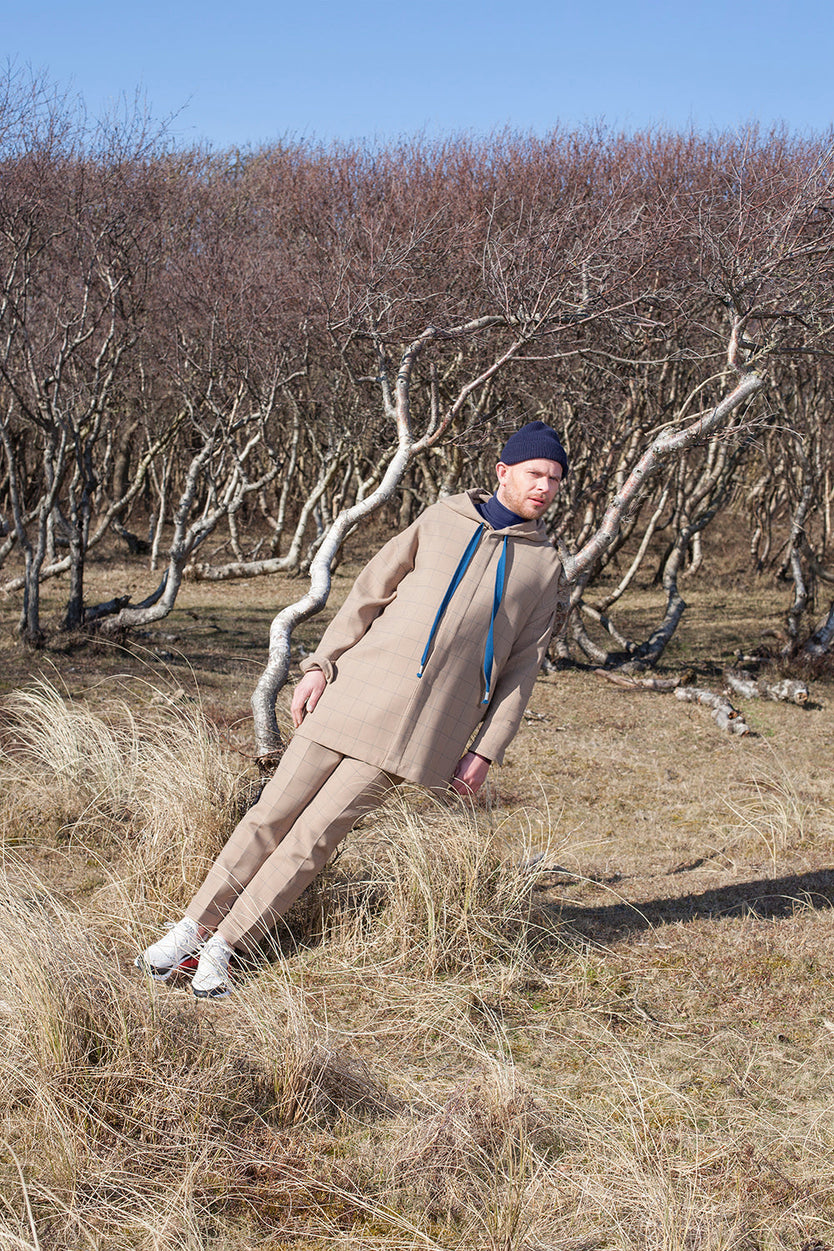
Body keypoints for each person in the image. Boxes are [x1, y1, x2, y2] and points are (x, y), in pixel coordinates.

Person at [136, 421, 570, 998]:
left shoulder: (545, 566)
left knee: (314, 839)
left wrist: (486, 750)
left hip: (419, 726)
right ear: (503, 472)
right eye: (536, 474)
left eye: (555, 480)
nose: (545, 487)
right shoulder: (441, 519)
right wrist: (320, 664)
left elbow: (523, 668)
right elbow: (369, 592)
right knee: (270, 815)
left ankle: (225, 947)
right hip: (355, 691)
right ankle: (190, 930)